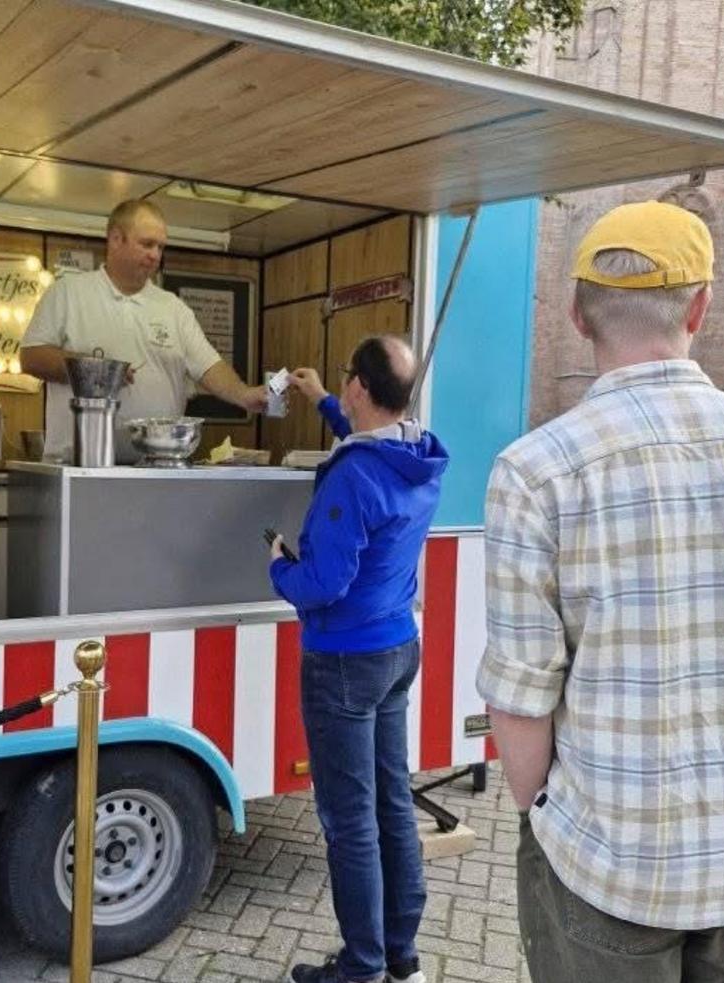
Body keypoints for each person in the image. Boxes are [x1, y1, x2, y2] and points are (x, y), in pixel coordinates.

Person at [477, 200, 724, 983]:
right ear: (701, 305)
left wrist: (540, 812)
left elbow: (522, 696)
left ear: (575, 314)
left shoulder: (534, 470)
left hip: (606, 869)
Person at [270, 336, 449, 983]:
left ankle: (362, 966)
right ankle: (400, 956)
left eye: (346, 380)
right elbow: (364, 439)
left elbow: (322, 583)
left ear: (361, 388)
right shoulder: (417, 455)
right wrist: (320, 397)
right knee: (391, 803)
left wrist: (278, 569)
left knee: (349, 821)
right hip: (398, 647)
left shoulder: (354, 476)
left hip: (344, 658)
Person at [19, 199, 265, 461]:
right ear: (115, 239)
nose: (155, 255)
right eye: (147, 244)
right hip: (81, 465)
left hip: (156, 466)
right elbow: (31, 357)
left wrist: (246, 396)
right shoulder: (68, 293)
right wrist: (97, 370)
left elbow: (208, 366)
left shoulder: (173, 308)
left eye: (160, 247)